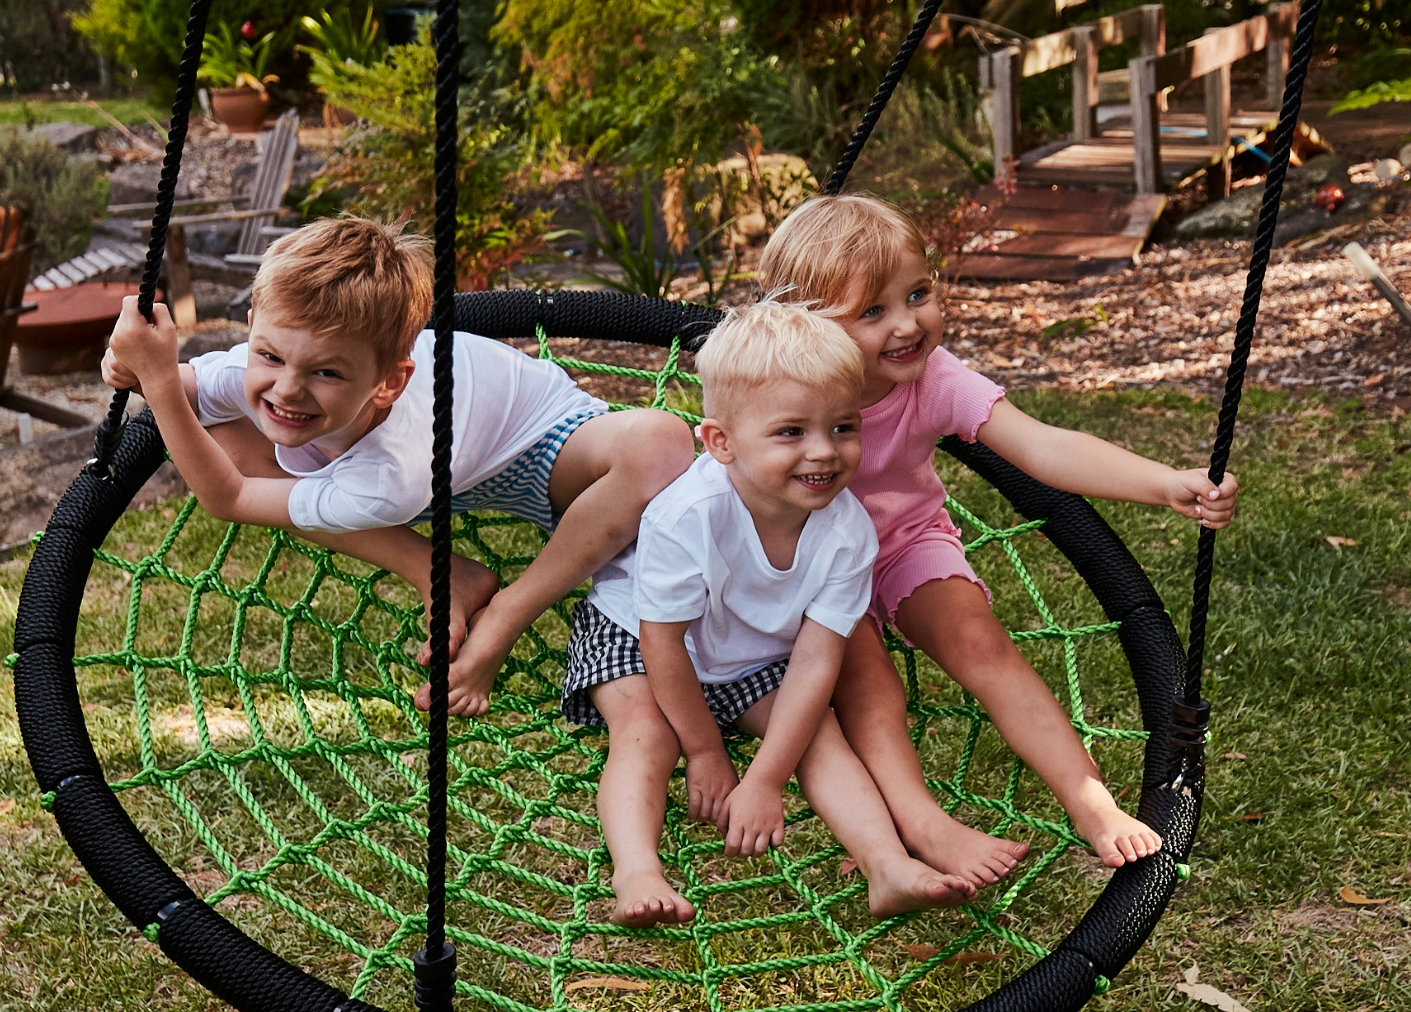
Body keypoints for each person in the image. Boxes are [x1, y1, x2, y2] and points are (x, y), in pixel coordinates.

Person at [759, 193, 1240, 869]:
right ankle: (913, 825)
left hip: (903, 543)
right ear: (805, 323)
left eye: (917, 292)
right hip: (806, 566)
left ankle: (1090, 799)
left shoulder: (932, 377)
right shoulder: (776, 385)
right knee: (869, 690)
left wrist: (1163, 483)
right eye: (872, 310)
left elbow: (1042, 448)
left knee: (983, 644)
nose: (907, 324)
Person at [102, 217, 693, 714]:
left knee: (659, 441)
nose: (286, 389)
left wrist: (154, 381)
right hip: (429, 471)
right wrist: (138, 366)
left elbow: (226, 498)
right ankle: (445, 574)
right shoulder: (274, 374)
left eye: (325, 372)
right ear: (253, 331)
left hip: (544, 451)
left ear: (389, 383)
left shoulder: (392, 472)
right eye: (270, 355)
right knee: (228, 437)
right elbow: (193, 389)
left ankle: (506, 612)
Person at [563, 300, 977, 927]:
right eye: (791, 432)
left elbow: (815, 662)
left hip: (750, 646)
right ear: (721, 443)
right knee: (647, 731)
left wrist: (763, 780)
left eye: (843, 427)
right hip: (637, 634)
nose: (824, 451)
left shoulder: (848, 532)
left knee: (816, 735)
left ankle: (886, 865)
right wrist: (704, 751)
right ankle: (637, 872)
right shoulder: (687, 515)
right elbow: (663, 643)